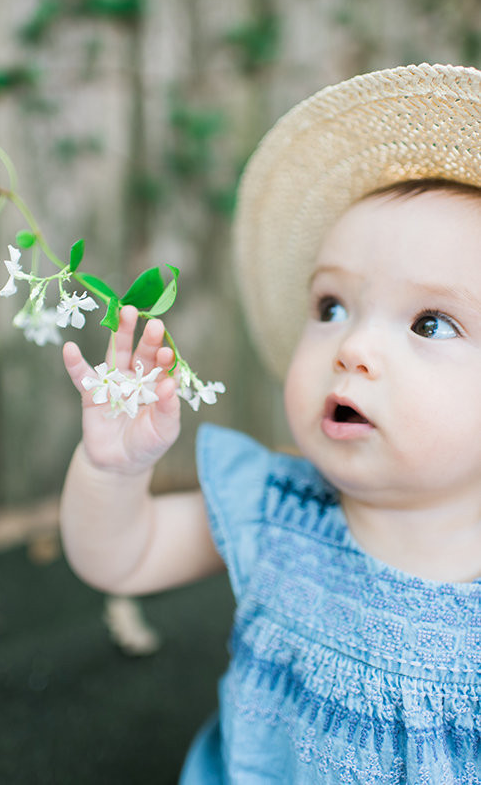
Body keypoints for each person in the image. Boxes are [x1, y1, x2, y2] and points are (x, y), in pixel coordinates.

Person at [60, 63, 481, 782]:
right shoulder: (276, 509)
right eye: (331, 307)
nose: (352, 346)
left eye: (430, 322)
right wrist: (113, 471)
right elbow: (121, 557)